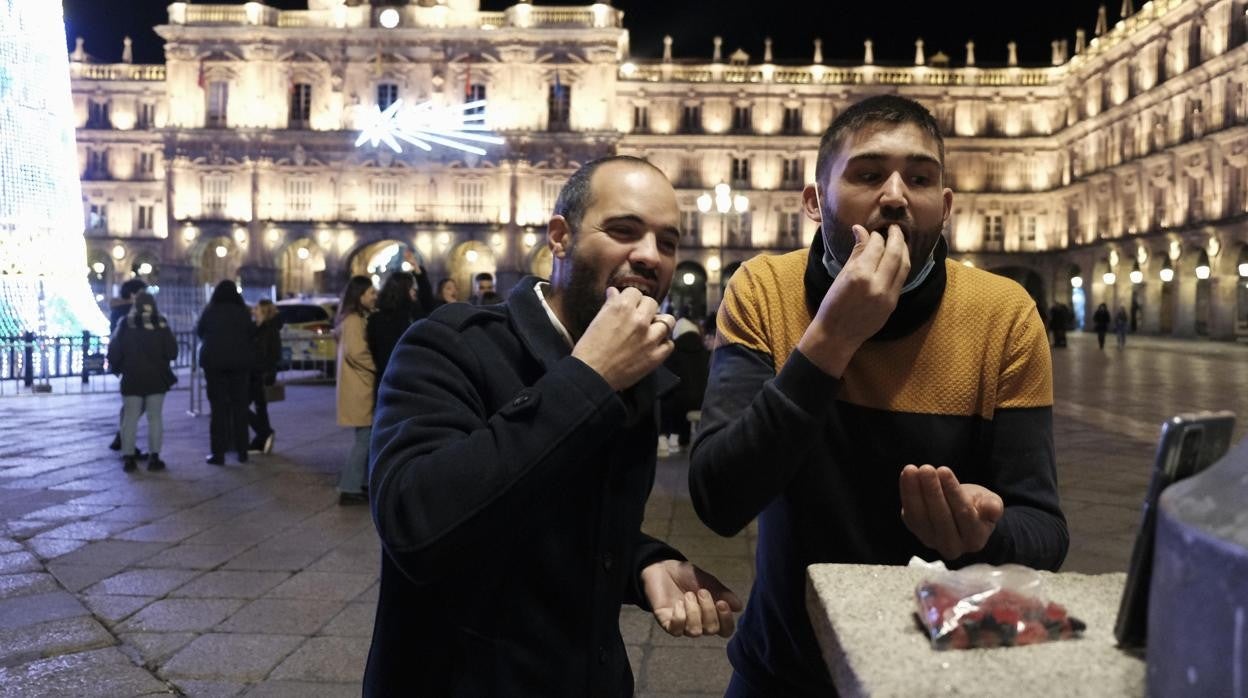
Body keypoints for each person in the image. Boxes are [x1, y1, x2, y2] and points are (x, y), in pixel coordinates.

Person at [688, 95, 1068, 696]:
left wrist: (984, 534)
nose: (895, 195)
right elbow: (719, 497)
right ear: (814, 201)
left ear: (943, 207)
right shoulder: (764, 290)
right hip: (785, 670)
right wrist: (832, 338)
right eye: (868, 174)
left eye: (919, 178)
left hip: (940, 672)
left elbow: (1044, 529)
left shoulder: (1004, 315)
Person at [365, 155, 743, 696]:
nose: (649, 255)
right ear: (560, 237)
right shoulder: (451, 344)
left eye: (667, 240)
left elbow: (559, 521)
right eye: (623, 230)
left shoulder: (637, 375)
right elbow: (416, 525)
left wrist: (643, 563)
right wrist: (588, 378)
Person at [107, 291, 177, 473]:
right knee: (155, 417)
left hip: (132, 378)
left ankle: (128, 458)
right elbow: (172, 351)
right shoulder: (161, 323)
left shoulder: (125, 323)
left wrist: (120, 367)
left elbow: (114, 350)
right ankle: (154, 458)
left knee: (130, 418)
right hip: (156, 378)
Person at [197, 280, 255, 465]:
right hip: (239, 363)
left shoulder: (210, 310)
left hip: (214, 363)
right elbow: (251, 333)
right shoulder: (243, 312)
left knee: (218, 409)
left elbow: (200, 331)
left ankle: (218, 453)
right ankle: (242, 451)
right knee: (240, 407)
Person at [335, 275, 377, 506]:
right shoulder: (353, 320)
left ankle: (358, 483)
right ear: (360, 295)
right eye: (371, 292)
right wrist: (378, 365)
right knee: (364, 438)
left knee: (366, 438)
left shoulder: (353, 317)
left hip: (358, 384)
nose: (374, 296)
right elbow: (357, 352)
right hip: (360, 385)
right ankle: (349, 486)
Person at [366, 270, 432, 393]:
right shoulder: (406, 316)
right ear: (402, 290)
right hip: (403, 378)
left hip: (391, 377)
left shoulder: (378, 317)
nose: (414, 291)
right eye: (411, 287)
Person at [108, 276, 150, 452]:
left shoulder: (120, 310)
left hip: (129, 363)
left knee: (133, 404)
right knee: (137, 404)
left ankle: (122, 438)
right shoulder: (129, 311)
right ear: (134, 294)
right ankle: (126, 444)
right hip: (136, 362)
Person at [247, 299, 283, 455]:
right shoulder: (258, 328)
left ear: (263, 311)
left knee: (241, 405)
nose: (253, 311)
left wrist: (263, 370)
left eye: (256, 308)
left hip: (261, 375)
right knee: (260, 408)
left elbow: (272, 355)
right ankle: (262, 439)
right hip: (256, 374)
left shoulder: (269, 330)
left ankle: (264, 432)